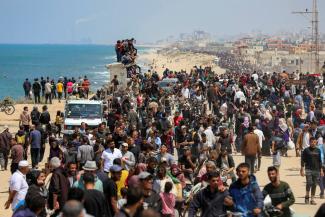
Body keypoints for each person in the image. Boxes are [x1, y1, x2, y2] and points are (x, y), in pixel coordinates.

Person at [301, 137, 323, 205]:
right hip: (308, 169)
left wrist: (321, 170)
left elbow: (320, 161)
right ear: (309, 142)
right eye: (312, 142)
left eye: (314, 142)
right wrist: (302, 169)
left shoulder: (318, 150)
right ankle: (307, 196)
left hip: (316, 170)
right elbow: (302, 160)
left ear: (316, 142)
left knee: (314, 184)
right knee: (309, 183)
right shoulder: (306, 150)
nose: (313, 143)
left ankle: (312, 199)